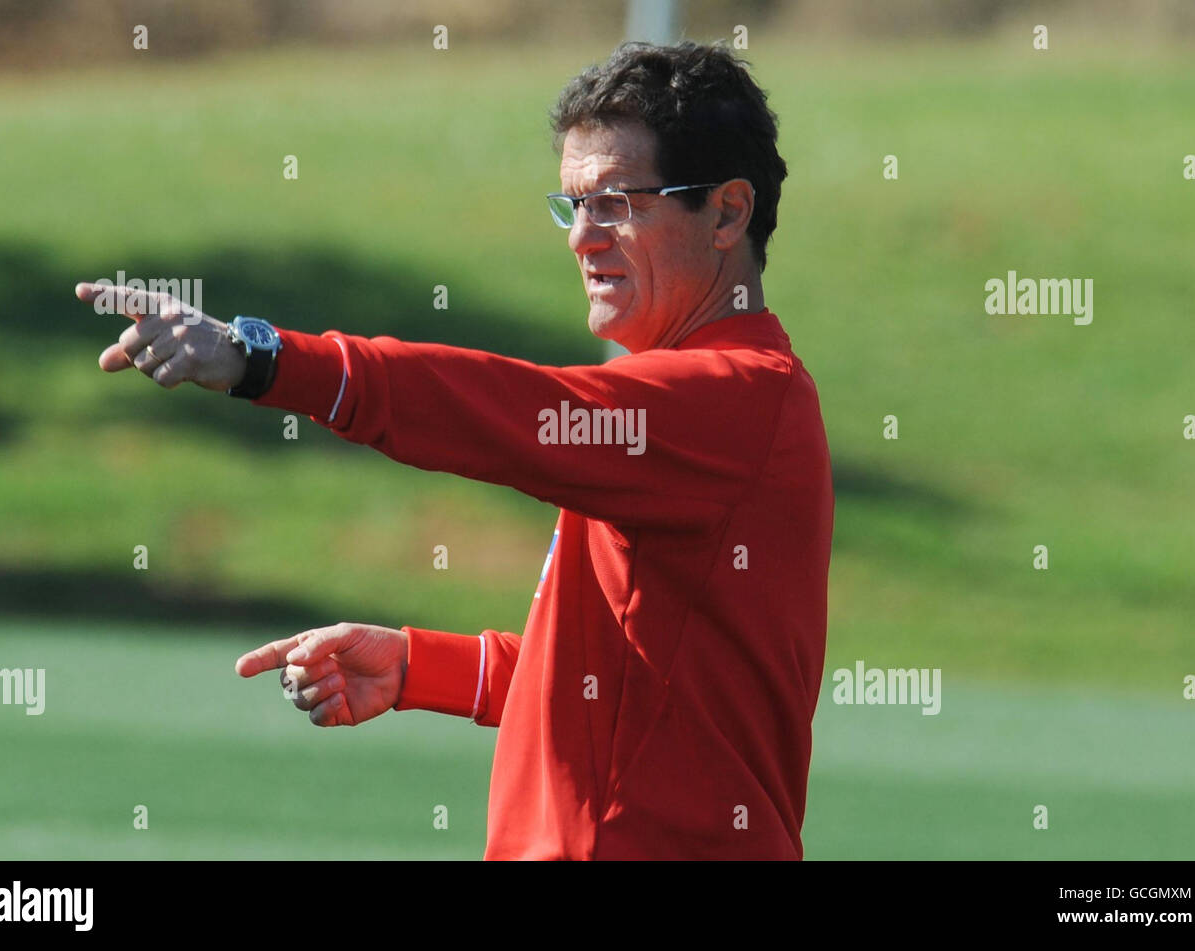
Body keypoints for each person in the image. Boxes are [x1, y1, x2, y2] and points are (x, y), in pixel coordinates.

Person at [73, 40, 833, 860]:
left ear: (726, 213)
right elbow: (618, 686)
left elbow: (500, 412)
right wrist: (417, 668)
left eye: (616, 202)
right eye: (571, 204)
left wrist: (262, 359)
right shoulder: (716, 400)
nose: (582, 238)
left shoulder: (736, 396)